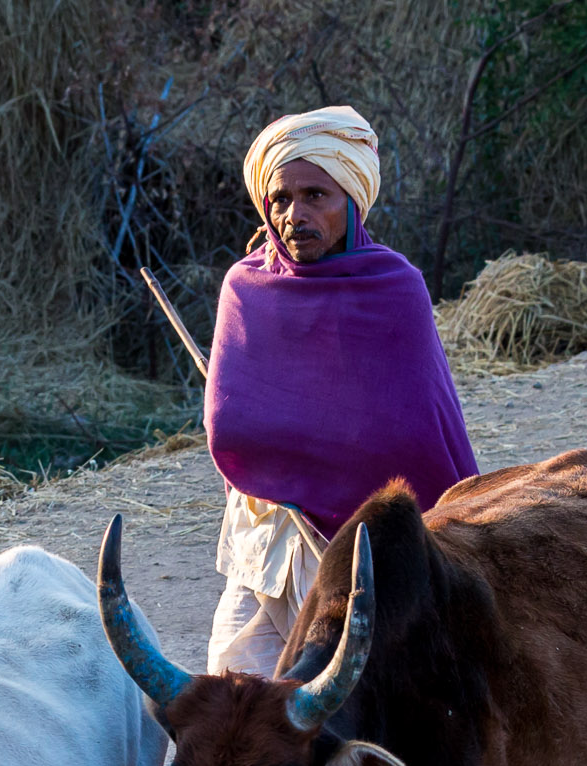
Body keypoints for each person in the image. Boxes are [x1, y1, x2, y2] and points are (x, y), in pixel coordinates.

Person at [203, 106, 478, 675]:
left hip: (358, 562)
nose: (293, 215)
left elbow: (417, 435)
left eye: (314, 196)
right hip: (263, 553)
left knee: (344, 728)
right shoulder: (246, 289)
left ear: (351, 202)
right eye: (279, 198)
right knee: (232, 713)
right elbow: (228, 427)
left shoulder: (395, 290)